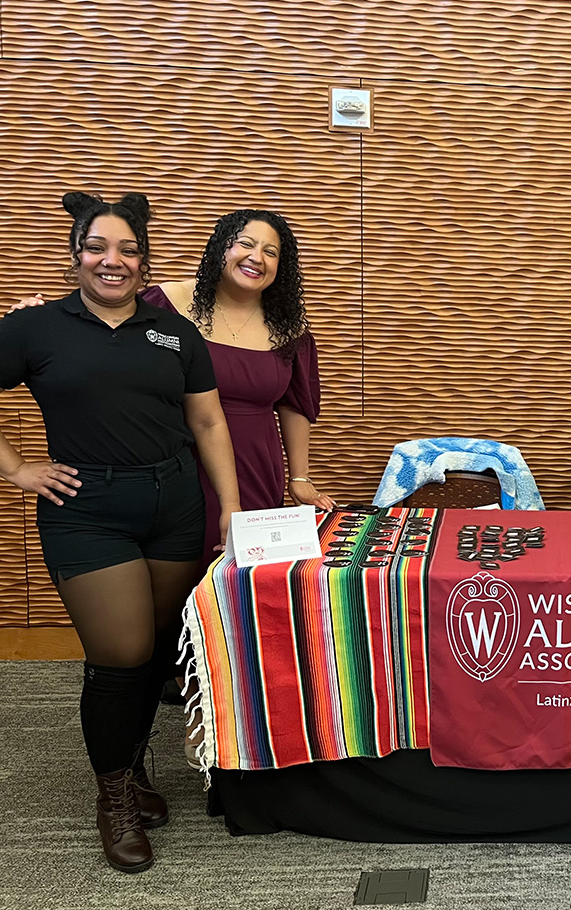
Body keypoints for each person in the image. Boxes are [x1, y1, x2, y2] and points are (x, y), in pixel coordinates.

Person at [0, 193, 242, 873]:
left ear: (143, 260)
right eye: (98, 247)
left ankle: (132, 770)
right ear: (77, 256)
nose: (114, 260)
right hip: (87, 510)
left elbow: (209, 423)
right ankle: (114, 800)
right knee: (122, 653)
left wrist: (228, 504)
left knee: (159, 649)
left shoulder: (173, 331)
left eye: (128, 249)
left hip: (173, 502)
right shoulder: (36, 328)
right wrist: (18, 468)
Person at [13, 208, 335, 565]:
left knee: (240, 581)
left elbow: (294, 405)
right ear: (221, 249)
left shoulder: (291, 330)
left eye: (271, 252)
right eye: (245, 244)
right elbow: (105, 327)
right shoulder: (166, 303)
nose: (256, 258)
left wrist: (300, 476)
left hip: (256, 467)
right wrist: (36, 319)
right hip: (174, 466)